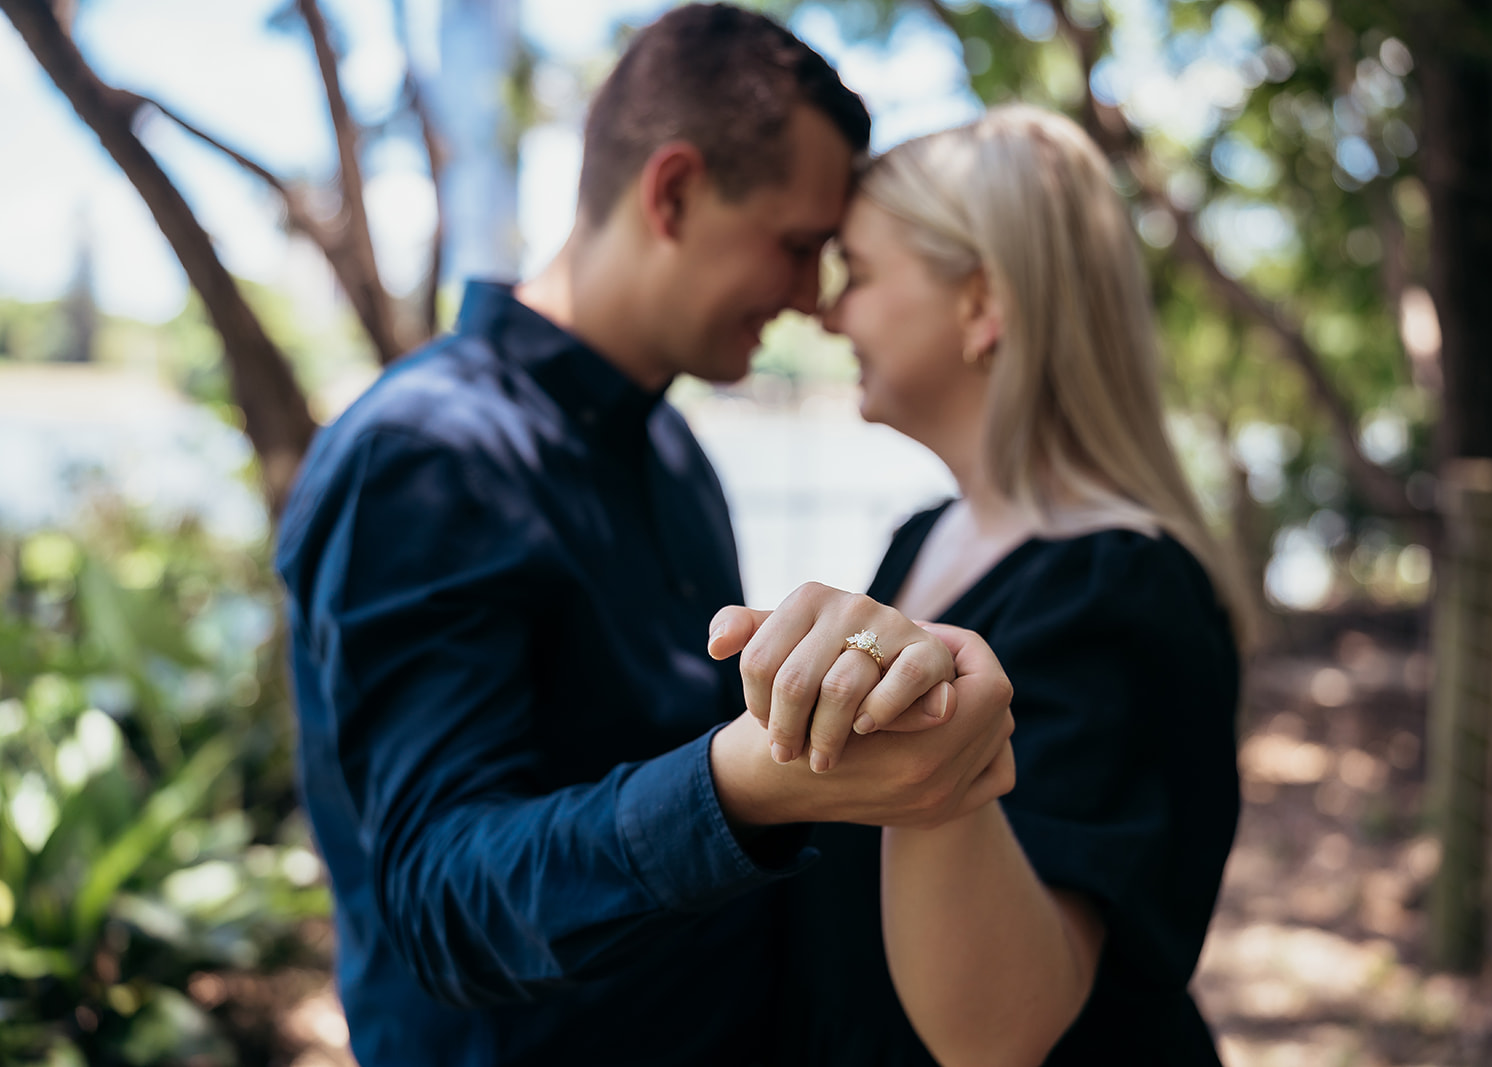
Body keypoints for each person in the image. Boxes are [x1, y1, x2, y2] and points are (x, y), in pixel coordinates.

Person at [274, 6, 1014, 1066]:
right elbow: (439, 899)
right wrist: (745, 784)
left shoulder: (671, 452)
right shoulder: (420, 454)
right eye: (798, 248)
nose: (814, 300)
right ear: (671, 191)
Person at [710, 106, 1249, 1065]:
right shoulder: (922, 535)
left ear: (982, 303)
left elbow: (1002, 1035)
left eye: (860, 274)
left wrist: (936, 760)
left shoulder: (1127, 589)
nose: (829, 313)